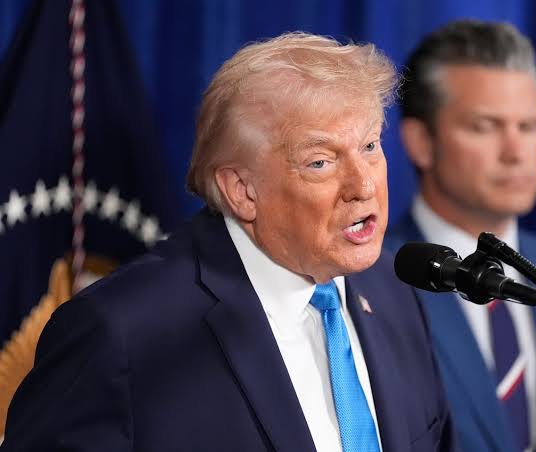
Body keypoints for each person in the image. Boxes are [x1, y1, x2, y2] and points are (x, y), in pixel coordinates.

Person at [1, 32, 452, 451]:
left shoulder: (393, 292)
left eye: (370, 146)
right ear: (242, 191)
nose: (364, 185)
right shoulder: (121, 333)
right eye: (320, 162)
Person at [385, 20, 536, 452]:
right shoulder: (374, 279)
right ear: (420, 141)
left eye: (529, 126)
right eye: (485, 126)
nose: (516, 152)